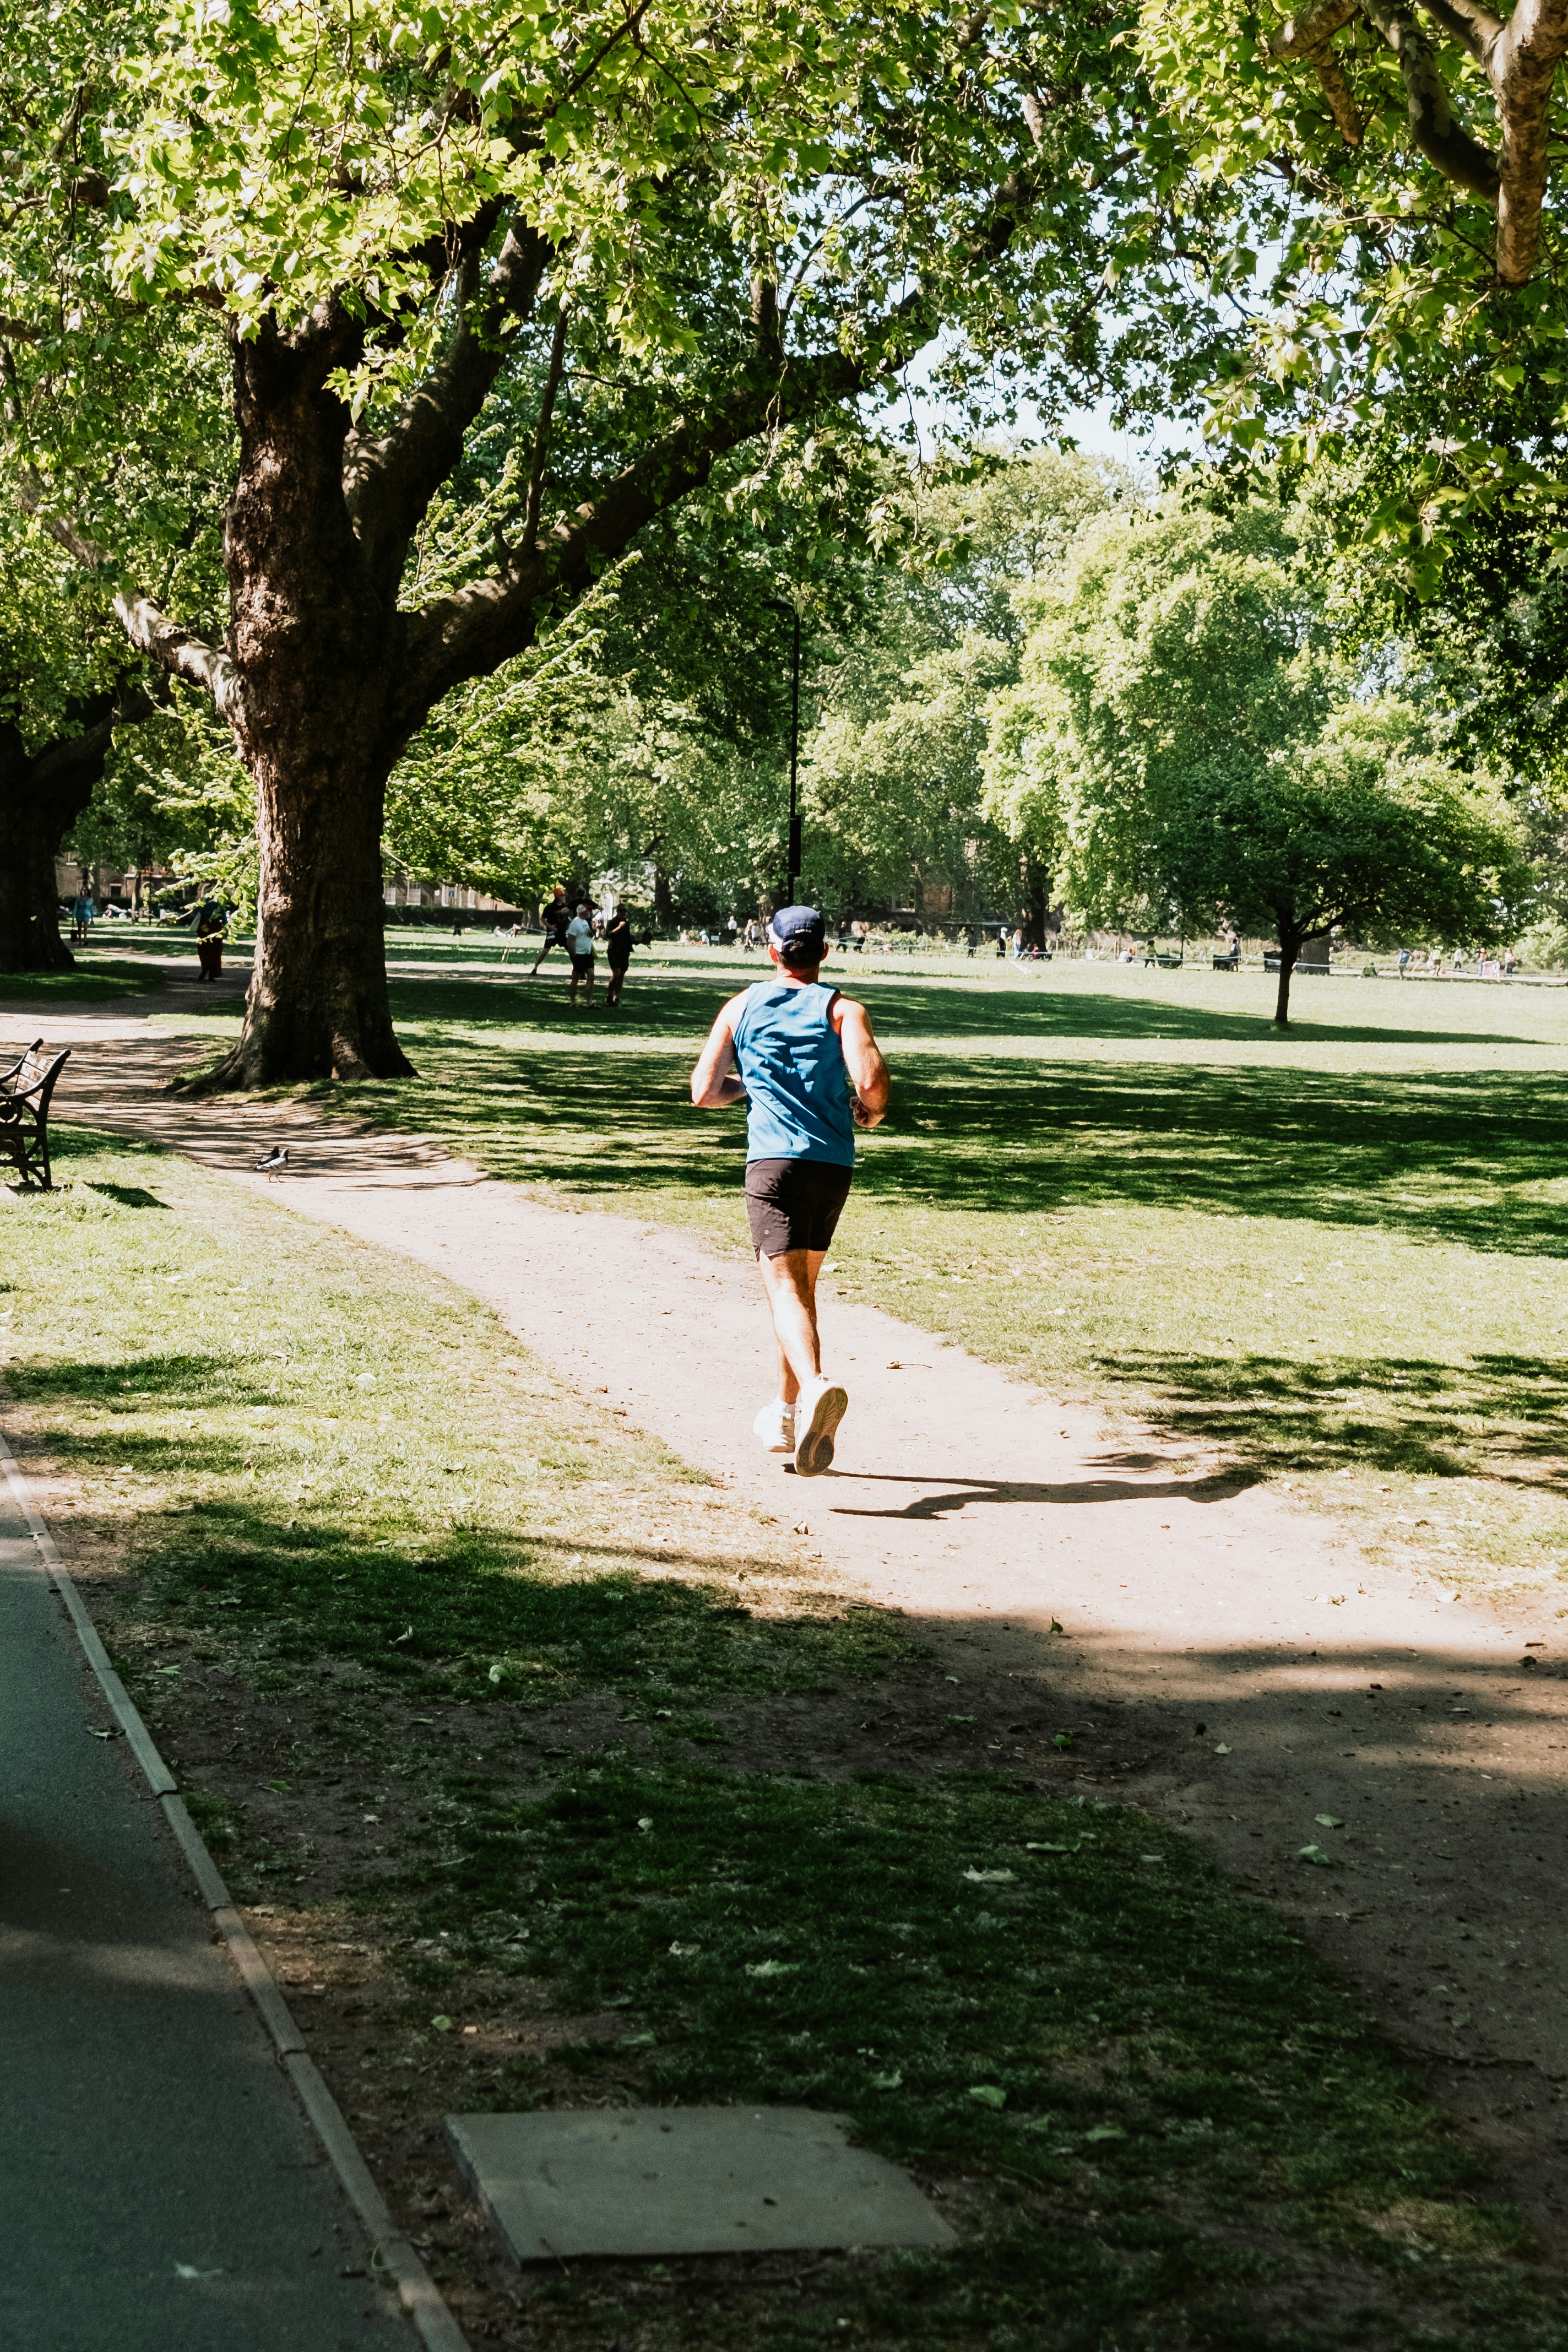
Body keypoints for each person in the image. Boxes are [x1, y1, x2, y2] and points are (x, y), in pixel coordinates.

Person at [689, 904, 890, 1476]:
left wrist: (750, 1087)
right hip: (832, 1165)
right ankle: (785, 1413)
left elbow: (703, 1090)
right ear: (825, 953)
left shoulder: (741, 1006)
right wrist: (870, 1113)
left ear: (771, 950)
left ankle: (817, 1386)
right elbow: (871, 1083)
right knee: (800, 1291)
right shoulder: (843, 1010)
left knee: (783, 1291)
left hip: (772, 1164)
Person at [529, 886, 571, 976]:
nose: (564, 897)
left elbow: (567, 919)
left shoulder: (565, 907)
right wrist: (550, 927)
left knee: (571, 951)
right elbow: (543, 919)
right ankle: (535, 968)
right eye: (562, 895)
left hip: (563, 932)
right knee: (545, 951)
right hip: (552, 933)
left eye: (564, 895)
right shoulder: (550, 907)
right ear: (557, 896)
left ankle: (578, 970)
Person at [566, 901, 596, 1005]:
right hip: (579, 954)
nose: (590, 912)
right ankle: (573, 1002)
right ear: (583, 912)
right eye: (588, 910)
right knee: (576, 978)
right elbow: (570, 941)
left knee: (591, 976)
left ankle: (589, 1002)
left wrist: (591, 934)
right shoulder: (575, 923)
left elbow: (585, 935)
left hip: (588, 954)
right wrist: (574, 956)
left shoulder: (585, 922)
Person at [604, 900, 633, 1006]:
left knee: (621, 975)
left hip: (625, 951)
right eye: (621, 911)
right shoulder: (612, 922)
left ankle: (617, 997)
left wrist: (638, 939)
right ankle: (609, 996)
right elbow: (607, 935)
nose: (623, 913)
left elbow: (627, 937)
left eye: (625, 911)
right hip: (614, 951)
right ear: (617, 911)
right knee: (616, 973)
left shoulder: (627, 923)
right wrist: (619, 927)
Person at [195, 899, 226, 981]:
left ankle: (205, 967)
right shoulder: (220, 902)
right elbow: (224, 918)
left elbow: (197, 914)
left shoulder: (203, 902)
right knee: (215, 950)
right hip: (216, 926)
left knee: (203, 949)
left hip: (204, 925)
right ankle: (213, 973)